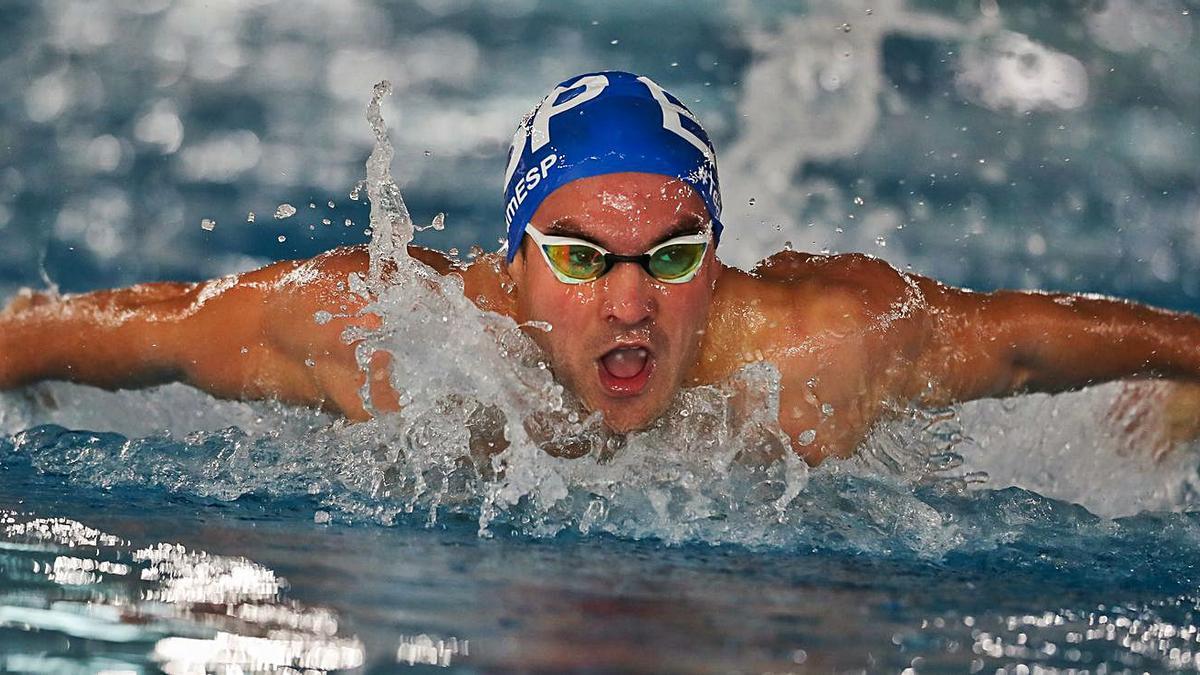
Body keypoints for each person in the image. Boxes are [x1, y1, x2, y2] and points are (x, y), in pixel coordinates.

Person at [1, 70, 1198, 465]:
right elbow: (127, 326)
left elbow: (1023, 335)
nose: (630, 301)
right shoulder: (386, 340)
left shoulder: (820, 348)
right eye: (580, 259)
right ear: (513, 265)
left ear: (717, 270)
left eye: (673, 256)